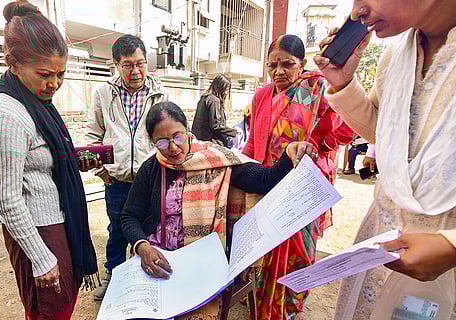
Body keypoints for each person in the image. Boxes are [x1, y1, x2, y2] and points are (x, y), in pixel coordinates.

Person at [314, 0, 456, 318]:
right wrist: (342, 82)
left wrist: (452, 245)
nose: (356, 11)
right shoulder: (395, 55)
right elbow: (386, 138)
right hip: (381, 245)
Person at [120, 101, 318, 319]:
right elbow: (130, 216)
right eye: (163, 142)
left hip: (203, 262)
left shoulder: (217, 159)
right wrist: (142, 246)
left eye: (177, 137)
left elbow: (264, 180)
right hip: (157, 256)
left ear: (188, 131)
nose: (173, 147)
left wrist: (288, 155)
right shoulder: (151, 169)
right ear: (153, 142)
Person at [0, 1, 99, 318]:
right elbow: (7, 199)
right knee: (49, 312)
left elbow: (45, 162)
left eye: (60, 74)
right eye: (44, 74)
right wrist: (41, 257)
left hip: (58, 222)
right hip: (38, 231)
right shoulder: (5, 114)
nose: (54, 84)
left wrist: (74, 162)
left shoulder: (37, 102)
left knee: (63, 306)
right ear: (14, 64)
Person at [243, 34, 353, 318]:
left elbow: (347, 128)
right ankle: (265, 302)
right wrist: (244, 169)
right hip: (267, 185)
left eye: (287, 64)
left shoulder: (315, 89)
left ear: (301, 63)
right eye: (272, 65)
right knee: (263, 249)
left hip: (303, 188)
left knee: (298, 253)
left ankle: (291, 308)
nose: (279, 72)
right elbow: (254, 142)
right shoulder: (261, 96)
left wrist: (318, 146)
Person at [86, 34, 169, 300]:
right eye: (127, 65)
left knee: (152, 227)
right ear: (116, 64)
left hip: (152, 177)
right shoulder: (103, 93)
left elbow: (167, 132)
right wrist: (103, 172)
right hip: (118, 180)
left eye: (140, 63)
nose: (136, 71)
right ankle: (113, 275)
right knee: (117, 229)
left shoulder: (159, 93)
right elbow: (93, 135)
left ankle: (143, 277)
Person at [191, 73, 237, 147]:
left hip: (200, 140)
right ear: (220, 87)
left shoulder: (205, 97)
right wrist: (234, 132)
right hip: (211, 142)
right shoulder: (214, 100)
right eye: (226, 89)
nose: (226, 92)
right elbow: (216, 125)